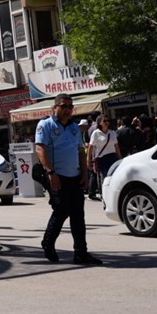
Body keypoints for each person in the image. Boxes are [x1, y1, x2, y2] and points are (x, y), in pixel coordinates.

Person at [35, 94, 102, 265]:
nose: (67, 110)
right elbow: (40, 149)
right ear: (55, 107)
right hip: (56, 176)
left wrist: (85, 175)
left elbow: (80, 151)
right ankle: (48, 243)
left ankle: (81, 253)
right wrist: (51, 172)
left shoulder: (74, 127)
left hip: (75, 177)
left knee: (78, 215)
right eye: (63, 106)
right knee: (61, 211)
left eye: (70, 107)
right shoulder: (46, 125)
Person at [87, 116, 122, 201]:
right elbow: (91, 147)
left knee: (114, 175)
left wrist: (120, 158)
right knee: (104, 177)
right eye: (104, 121)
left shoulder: (112, 133)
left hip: (113, 156)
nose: (107, 122)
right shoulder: (96, 133)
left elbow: (116, 146)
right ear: (99, 123)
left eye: (108, 120)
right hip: (102, 158)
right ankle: (105, 195)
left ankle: (114, 194)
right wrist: (88, 159)